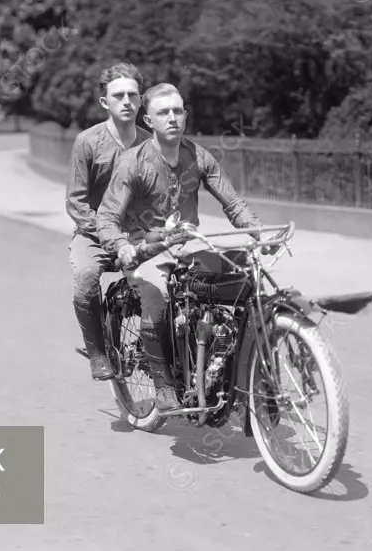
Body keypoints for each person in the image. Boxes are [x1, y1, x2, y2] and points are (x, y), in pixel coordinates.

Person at [96, 83, 261, 413]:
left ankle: (240, 377)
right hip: (144, 250)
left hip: (186, 246)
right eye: (163, 112)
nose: (172, 118)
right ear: (148, 121)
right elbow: (107, 216)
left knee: (244, 279)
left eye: (177, 111)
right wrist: (122, 246)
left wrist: (255, 230)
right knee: (156, 299)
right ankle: (164, 385)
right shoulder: (133, 162)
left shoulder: (198, 156)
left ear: (185, 115)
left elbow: (233, 203)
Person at [67, 62, 152, 381]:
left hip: (139, 234)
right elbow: (75, 201)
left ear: (142, 100)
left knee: (176, 283)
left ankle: (160, 357)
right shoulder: (87, 142)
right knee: (87, 280)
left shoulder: (151, 144)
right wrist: (109, 237)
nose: (127, 101)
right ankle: (98, 352)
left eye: (133, 94)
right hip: (94, 236)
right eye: (118, 95)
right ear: (105, 102)